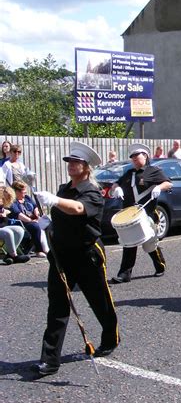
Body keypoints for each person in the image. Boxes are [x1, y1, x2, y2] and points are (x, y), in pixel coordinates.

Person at [33, 142, 119, 376]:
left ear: (86, 167)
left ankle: (110, 338)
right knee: (58, 306)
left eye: (76, 162)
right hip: (62, 255)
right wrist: (49, 223)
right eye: (69, 162)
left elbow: (78, 209)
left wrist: (55, 201)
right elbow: (64, 215)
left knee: (99, 301)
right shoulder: (63, 189)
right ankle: (50, 360)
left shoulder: (92, 191)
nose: (71, 165)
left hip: (87, 254)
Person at [110, 144, 172, 284]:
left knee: (149, 243)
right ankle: (124, 274)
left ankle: (160, 265)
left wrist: (158, 187)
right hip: (130, 214)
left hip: (147, 213)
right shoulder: (129, 173)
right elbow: (115, 183)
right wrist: (117, 188)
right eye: (133, 158)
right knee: (129, 243)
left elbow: (168, 183)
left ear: (145, 156)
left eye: (137, 157)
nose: (135, 160)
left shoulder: (153, 171)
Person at [10, 180, 48, 257]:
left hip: (33, 219)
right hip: (22, 222)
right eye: (23, 192)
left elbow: (35, 207)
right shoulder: (13, 202)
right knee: (36, 226)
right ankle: (39, 250)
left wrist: (36, 213)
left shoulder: (27, 198)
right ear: (16, 191)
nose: (25, 193)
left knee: (46, 223)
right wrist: (31, 220)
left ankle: (48, 249)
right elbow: (19, 215)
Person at [0, 185, 30, 264]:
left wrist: (5, 212)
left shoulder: (2, 201)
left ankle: (9, 255)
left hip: (2, 226)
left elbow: (7, 209)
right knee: (8, 232)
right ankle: (14, 256)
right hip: (2, 229)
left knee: (19, 230)